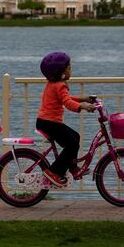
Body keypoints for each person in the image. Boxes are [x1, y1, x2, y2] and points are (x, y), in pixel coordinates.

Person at [36, 51, 96, 188]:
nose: (71, 70)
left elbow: (66, 98)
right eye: (69, 68)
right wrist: (83, 106)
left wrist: (83, 99)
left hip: (45, 122)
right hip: (50, 123)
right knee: (72, 145)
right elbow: (68, 103)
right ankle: (53, 172)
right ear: (60, 72)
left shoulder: (53, 84)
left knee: (75, 137)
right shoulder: (60, 85)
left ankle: (73, 168)